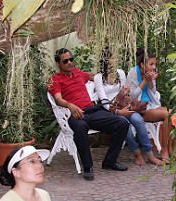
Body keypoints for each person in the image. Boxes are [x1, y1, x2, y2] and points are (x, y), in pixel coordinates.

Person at [47, 48, 130, 181]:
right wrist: (70, 105)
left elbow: (96, 77)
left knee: (122, 123)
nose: (69, 62)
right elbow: (58, 99)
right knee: (80, 127)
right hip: (73, 114)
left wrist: (109, 74)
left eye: (70, 59)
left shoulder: (78, 73)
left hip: (92, 111)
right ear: (58, 63)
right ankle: (87, 167)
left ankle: (110, 161)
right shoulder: (55, 79)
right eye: (65, 60)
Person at [93, 59, 163, 167]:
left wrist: (125, 92)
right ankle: (136, 152)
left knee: (138, 120)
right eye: (112, 58)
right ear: (105, 60)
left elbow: (127, 93)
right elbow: (104, 101)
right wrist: (118, 112)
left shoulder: (120, 73)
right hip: (110, 109)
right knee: (124, 125)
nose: (115, 60)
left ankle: (150, 154)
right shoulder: (98, 77)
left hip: (125, 105)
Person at [127, 48, 174, 162]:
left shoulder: (150, 74)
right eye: (151, 64)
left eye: (154, 64)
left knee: (173, 114)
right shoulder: (133, 73)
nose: (154, 67)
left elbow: (153, 93)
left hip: (151, 104)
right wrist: (144, 81)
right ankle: (164, 151)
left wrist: (151, 80)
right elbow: (132, 96)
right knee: (166, 115)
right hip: (140, 108)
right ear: (142, 64)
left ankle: (170, 148)